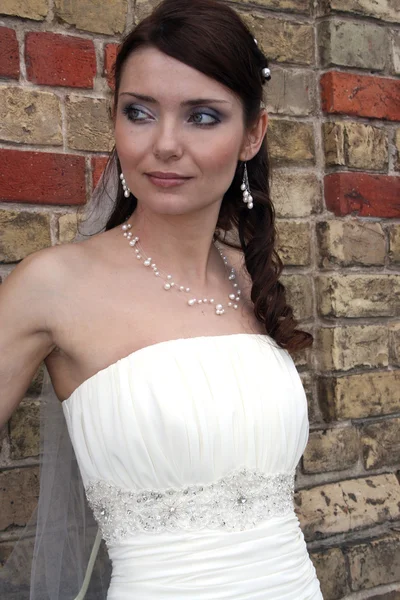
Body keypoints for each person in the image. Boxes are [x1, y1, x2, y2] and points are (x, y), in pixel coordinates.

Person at [0, 0, 323, 597]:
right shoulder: (52, 287)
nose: (165, 144)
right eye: (140, 112)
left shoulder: (251, 282)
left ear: (253, 133)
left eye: (203, 116)